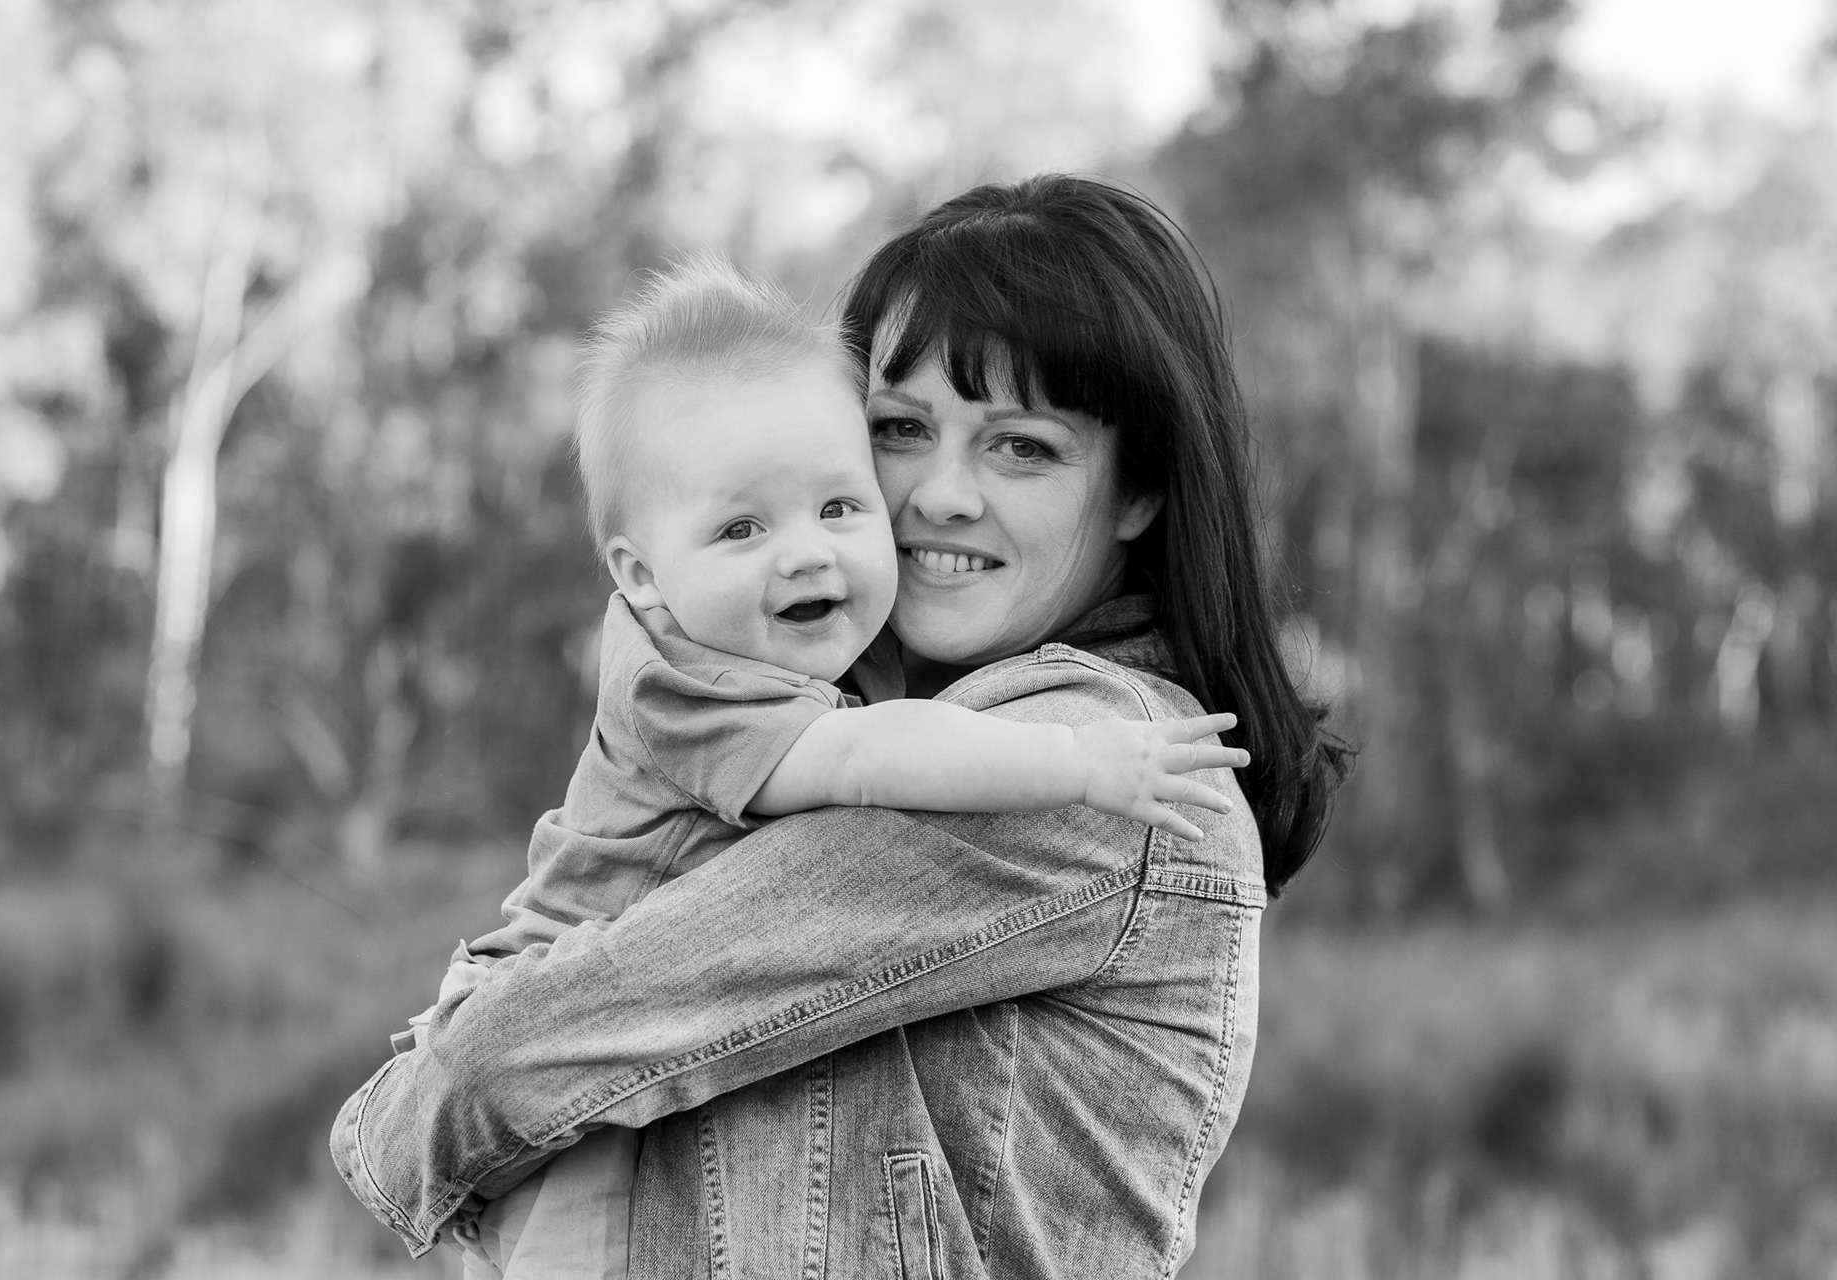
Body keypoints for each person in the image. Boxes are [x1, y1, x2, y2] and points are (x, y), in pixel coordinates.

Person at [333, 175, 1351, 1279]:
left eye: (1022, 447)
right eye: (903, 429)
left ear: (1141, 490)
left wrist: (391, 1121)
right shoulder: (867, 709)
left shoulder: (1083, 764)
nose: (938, 497)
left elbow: (499, 1061)